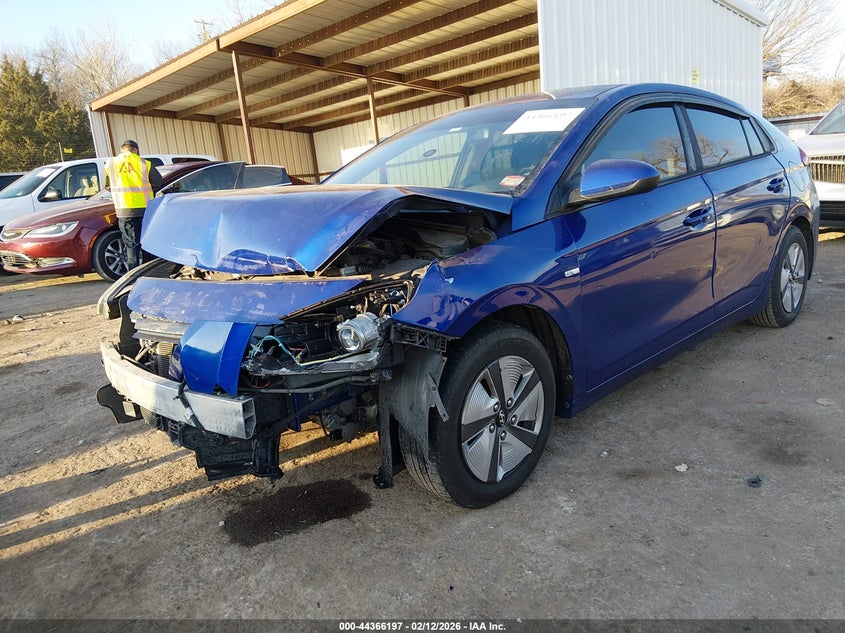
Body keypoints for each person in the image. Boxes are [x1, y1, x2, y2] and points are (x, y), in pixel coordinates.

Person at [103, 140, 162, 270]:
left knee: (131, 245)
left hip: (124, 210)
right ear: (136, 150)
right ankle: (151, 273)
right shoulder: (145, 163)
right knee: (148, 242)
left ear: (122, 149)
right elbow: (158, 182)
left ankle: (133, 277)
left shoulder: (110, 164)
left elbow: (107, 186)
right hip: (146, 209)